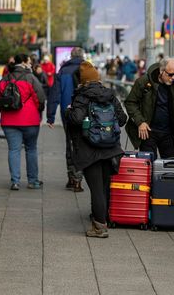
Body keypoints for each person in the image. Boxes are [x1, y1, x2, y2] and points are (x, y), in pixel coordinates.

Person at [65, 61, 127, 238]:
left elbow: (76, 120)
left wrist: (68, 112)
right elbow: (122, 119)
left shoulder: (82, 96)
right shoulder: (110, 95)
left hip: (89, 149)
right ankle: (102, 218)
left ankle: (99, 227)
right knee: (105, 186)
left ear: (83, 80)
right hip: (111, 148)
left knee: (96, 189)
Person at [125, 58, 174, 159]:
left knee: (170, 165)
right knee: (149, 165)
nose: (173, 78)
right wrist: (140, 122)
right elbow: (130, 103)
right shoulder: (144, 82)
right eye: (170, 74)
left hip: (168, 133)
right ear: (161, 71)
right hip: (148, 133)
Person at [0, 54, 46, 190]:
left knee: (13, 150)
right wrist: (39, 111)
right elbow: (40, 97)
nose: (31, 65)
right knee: (31, 149)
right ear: (24, 63)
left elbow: (0, 101)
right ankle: (32, 181)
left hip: (9, 121)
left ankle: (15, 181)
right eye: (29, 62)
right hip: (30, 120)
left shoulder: (4, 79)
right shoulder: (31, 78)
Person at [47, 47, 85, 192]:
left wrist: (50, 116)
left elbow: (54, 94)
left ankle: (72, 177)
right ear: (82, 56)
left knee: (70, 142)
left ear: (71, 56)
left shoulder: (62, 71)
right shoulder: (87, 69)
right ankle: (78, 179)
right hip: (85, 113)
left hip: (67, 113)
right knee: (82, 144)